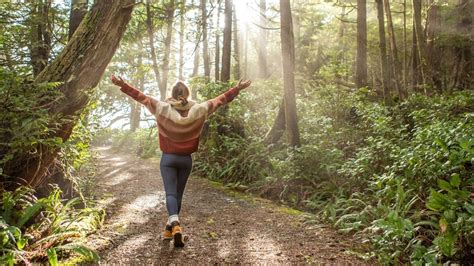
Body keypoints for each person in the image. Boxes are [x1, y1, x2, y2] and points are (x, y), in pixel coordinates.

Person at [111, 75, 251, 247]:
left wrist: (123, 84)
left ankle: (175, 224)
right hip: (186, 160)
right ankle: (169, 230)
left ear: (172, 93)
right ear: (187, 94)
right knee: (178, 196)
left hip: (168, 159)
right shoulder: (199, 109)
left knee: (170, 194)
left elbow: (141, 97)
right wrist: (237, 89)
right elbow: (220, 100)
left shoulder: (161, 108)